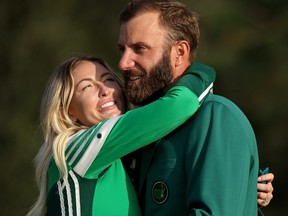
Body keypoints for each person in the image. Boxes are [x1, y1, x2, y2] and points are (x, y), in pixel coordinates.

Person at [118, 0, 273, 215]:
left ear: (179, 52)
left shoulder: (216, 118)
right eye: (122, 49)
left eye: (139, 49)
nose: (123, 63)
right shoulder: (146, 131)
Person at [26, 55, 215, 216]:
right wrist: (199, 70)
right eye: (86, 87)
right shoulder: (77, 147)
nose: (105, 90)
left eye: (108, 79)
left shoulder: (115, 160)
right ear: (68, 112)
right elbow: (181, 104)